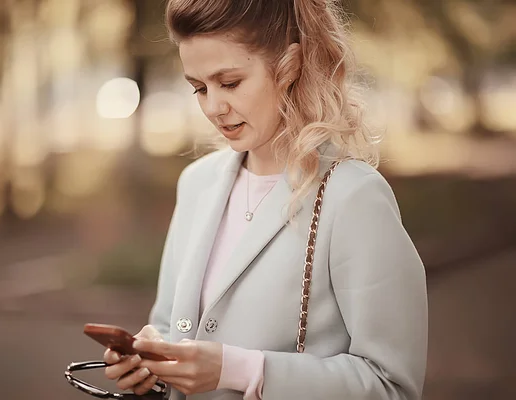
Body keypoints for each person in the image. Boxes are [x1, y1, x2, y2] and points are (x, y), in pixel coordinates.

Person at [103, 0, 428, 399]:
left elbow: (392, 385)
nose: (213, 107)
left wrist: (241, 370)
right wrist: (151, 366)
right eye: (199, 88)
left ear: (289, 66)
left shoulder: (354, 197)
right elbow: (171, 326)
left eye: (230, 82)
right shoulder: (196, 184)